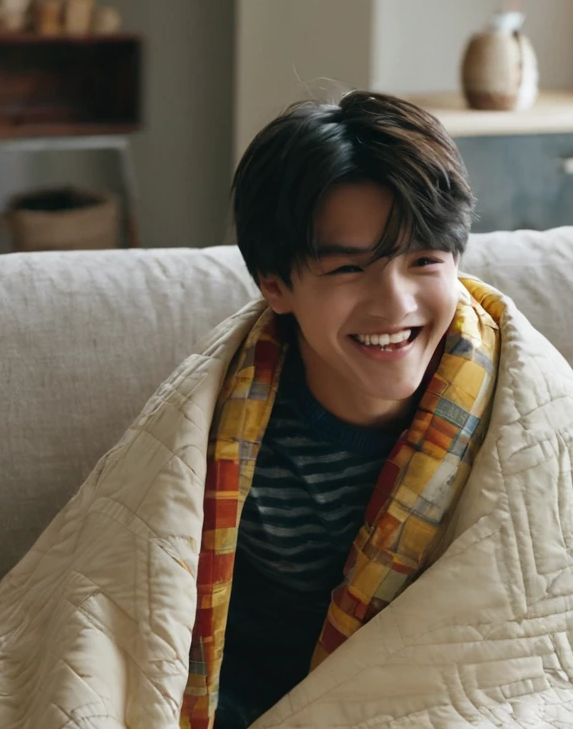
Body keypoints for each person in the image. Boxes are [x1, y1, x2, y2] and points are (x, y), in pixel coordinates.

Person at [211, 90, 480, 727]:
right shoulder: (231, 440)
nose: (394, 305)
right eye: (349, 270)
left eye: (423, 261)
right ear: (275, 284)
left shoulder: (499, 397)